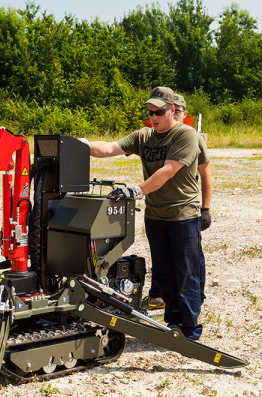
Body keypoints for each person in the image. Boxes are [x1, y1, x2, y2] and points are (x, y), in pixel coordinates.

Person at [86, 86, 204, 340]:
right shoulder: (144, 136)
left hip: (182, 214)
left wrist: (136, 190)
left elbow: (168, 171)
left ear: (173, 110)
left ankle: (190, 329)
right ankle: (173, 324)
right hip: (156, 215)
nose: (153, 116)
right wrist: (80, 145)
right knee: (164, 272)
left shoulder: (186, 135)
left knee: (186, 272)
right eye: (150, 111)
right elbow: (109, 148)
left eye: (159, 111)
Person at [148, 93, 212, 309]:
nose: (173, 114)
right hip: (159, 211)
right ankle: (158, 294)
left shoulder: (191, 137)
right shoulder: (158, 136)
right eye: (170, 110)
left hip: (185, 210)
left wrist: (205, 208)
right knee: (162, 260)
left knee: (191, 262)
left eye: (177, 111)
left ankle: (195, 300)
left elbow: (205, 173)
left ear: (184, 114)